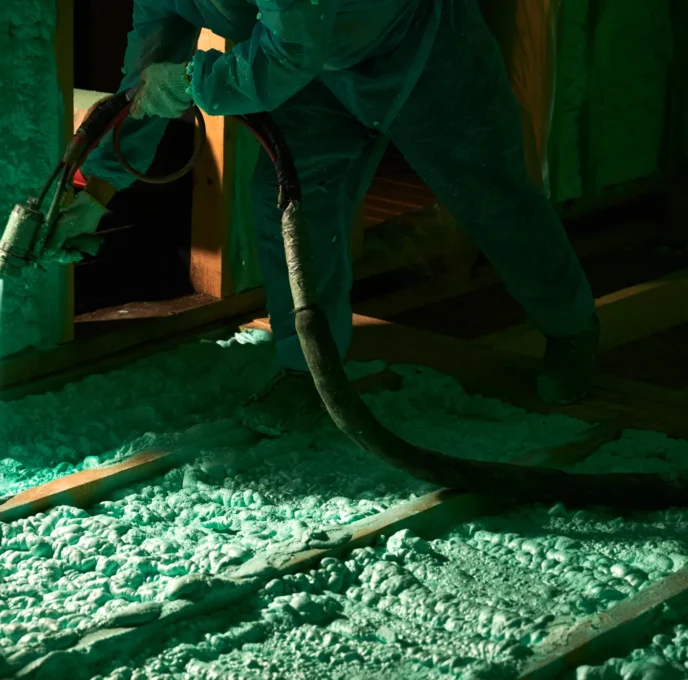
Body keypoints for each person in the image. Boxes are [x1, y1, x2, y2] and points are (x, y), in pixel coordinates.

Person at [48, 0, 600, 432]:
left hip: (423, 45)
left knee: (489, 194)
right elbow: (144, 82)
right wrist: (94, 193)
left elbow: (287, 51)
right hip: (311, 67)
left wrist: (196, 82)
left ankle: (571, 327)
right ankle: (310, 370)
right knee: (288, 199)